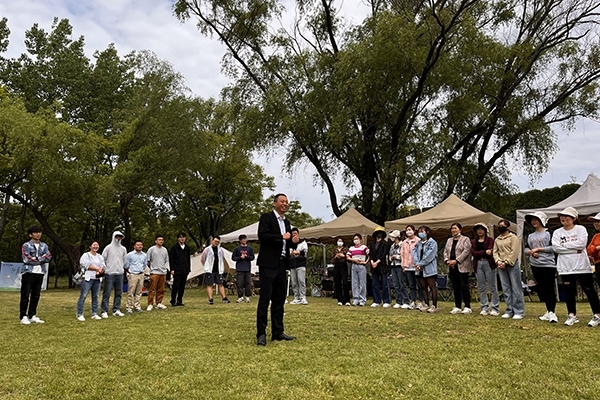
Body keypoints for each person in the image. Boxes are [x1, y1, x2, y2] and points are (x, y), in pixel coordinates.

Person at [256, 193, 296, 346]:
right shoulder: (266, 218)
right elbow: (263, 236)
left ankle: (277, 332)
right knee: (265, 299)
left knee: (279, 299)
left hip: (281, 264)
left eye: (287, 202)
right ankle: (261, 333)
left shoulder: (287, 222)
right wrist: (281, 237)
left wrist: (294, 241)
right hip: (268, 264)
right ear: (275, 203)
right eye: (282, 201)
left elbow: (287, 242)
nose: (285, 204)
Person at [552, 207, 600, 327]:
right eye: (561, 216)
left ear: (574, 218)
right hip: (565, 267)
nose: (563, 218)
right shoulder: (557, 232)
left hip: (581, 265)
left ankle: (597, 314)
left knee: (589, 290)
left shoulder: (581, 229)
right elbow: (556, 248)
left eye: (566, 216)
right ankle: (571, 314)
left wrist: (564, 246)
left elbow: (581, 245)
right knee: (569, 291)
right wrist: (573, 249)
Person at [524, 212, 557, 323]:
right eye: (532, 220)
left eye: (536, 219)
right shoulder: (530, 236)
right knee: (541, 288)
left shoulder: (549, 233)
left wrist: (539, 249)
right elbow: (526, 249)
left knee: (549, 288)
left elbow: (554, 247)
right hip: (535, 264)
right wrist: (531, 252)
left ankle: (552, 312)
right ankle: (548, 310)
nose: (534, 222)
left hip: (548, 264)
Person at [492, 219, 525, 320]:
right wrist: (498, 261)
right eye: (499, 225)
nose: (500, 227)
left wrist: (506, 262)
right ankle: (509, 310)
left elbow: (514, 251)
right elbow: (495, 252)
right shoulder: (497, 239)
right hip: (500, 265)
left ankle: (519, 311)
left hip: (511, 264)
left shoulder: (513, 237)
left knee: (516, 287)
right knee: (506, 288)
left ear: (508, 227)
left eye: (503, 225)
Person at [19, 225, 52, 325]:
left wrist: (37, 259)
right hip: (28, 272)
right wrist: (41, 259)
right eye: (35, 232)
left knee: (36, 295)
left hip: (40, 272)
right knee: (25, 295)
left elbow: (48, 257)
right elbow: (26, 259)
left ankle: (32, 315)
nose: (38, 234)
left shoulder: (44, 246)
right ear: (30, 234)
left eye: (39, 232)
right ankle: (23, 316)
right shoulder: (26, 245)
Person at [443, 222, 474, 314]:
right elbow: (445, 251)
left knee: (464, 286)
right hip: (451, 267)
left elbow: (466, 251)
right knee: (455, 286)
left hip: (462, 266)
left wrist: (456, 261)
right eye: (452, 228)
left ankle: (467, 306)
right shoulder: (449, 240)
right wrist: (447, 261)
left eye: (455, 228)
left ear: (460, 229)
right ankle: (457, 306)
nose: (453, 230)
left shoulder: (465, 239)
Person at [470, 223, 500, 316]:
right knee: (481, 287)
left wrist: (482, 253)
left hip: (489, 263)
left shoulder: (490, 240)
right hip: (478, 264)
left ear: (485, 230)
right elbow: (473, 253)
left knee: (492, 286)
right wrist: (484, 252)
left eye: (481, 229)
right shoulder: (473, 242)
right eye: (478, 229)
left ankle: (495, 307)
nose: (480, 231)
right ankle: (484, 307)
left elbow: (490, 252)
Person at [76, 241, 105, 321]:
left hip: (97, 279)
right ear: (90, 246)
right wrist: (97, 269)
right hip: (88, 278)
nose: (95, 246)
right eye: (94, 245)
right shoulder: (86, 255)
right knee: (83, 296)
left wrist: (100, 270)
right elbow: (86, 265)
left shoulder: (100, 256)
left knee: (95, 296)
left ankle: (94, 313)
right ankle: (80, 314)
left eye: (97, 245)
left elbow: (103, 265)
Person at [101, 231, 127, 318]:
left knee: (119, 292)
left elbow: (124, 260)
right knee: (107, 292)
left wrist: (121, 268)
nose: (118, 238)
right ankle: (104, 310)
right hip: (109, 273)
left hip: (120, 273)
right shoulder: (108, 248)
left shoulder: (123, 249)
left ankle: (116, 309)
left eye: (120, 237)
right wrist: (106, 269)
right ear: (114, 237)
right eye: (117, 237)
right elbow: (103, 259)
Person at [413, 226, 438, 313]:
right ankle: (426, 304)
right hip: (419, 269)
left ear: (427, 232)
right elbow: (414, 252)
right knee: (423, 286)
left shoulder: (432, 242)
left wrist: (421, 264)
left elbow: (430, 255)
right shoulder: (418, 243)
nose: (420, 233)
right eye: (419, 231)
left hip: (429, 268)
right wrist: (417, 263)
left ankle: (434, 305)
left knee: (432, 286)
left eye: (422, 231)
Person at [201, 236, 230, 305]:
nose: (216, 243)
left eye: (218, 242)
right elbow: (203, 259)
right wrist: (207, 266)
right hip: (210, 270)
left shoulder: (220, 250)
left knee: (220, 284)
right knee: (210, 284)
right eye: (215, 241)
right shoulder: (207, 249)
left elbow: (222, 259)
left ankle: (224, 298)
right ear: (212, 241)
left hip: (218, 270)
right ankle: (210, 299)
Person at [401, 225, 424, 310]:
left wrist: (420, 264)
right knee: (411, 285)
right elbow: (402, 254)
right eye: (407, 230)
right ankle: (413, 301)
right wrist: (403, 265)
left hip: (416, 266)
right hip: (408, 266)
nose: (408, 231)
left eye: (410, 229)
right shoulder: (404, 242)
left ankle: (421, 301)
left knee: (419, 284)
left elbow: (421, 253)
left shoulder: (418, 241)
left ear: (414, 231)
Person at [146, 235, 170, 311]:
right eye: (159, 240)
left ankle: (159, 302)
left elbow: (166, 260)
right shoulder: (151, 249)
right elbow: (148, 261)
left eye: (162, 240)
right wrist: (152, 268)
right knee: (152, 289)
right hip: (154, 271)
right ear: (156, 241)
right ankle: (150, 304)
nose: (161, 241)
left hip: (163, 272)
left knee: (161, 289)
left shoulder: (165, 250)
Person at [369, 227, 391, 308]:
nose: (379, 234)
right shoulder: (372, 244)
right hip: (374, 266)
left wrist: (377, 262)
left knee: (384, 284)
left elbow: (384, 254)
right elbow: (371, 254)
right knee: (375, 284)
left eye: (380, 233)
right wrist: (372, 262)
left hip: (382, 266)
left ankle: (386, 301)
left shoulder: (385, 244)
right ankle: (376, 301)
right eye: (378, 233)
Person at [125, 240, 148, 314]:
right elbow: (126, 265)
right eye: (138, 245)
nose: (140, 246)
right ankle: (129, 307)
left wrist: (141, 271)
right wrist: (130, 271)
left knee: (139, 291)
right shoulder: (129, 255)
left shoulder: (144, 255)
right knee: (131, 291)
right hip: (133, 274)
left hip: (141, 274)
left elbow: (144, 265)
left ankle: (137, 306)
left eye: (141, 245)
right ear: (134, 246)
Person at [347, 233, 370, 307]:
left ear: (360, 239)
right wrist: (353, 260)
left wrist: (365, 262)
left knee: (362, 283)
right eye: (354, 239)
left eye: (357, 239)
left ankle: (362, 300)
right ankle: (355, 300)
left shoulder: (364, 247)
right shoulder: (351, 248)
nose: (355, 240)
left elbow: (370, 254)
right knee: (354, 283)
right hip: (354, 265)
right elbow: (347, 257)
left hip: (361, 265)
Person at [169, 232, 191, 306]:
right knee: (176, 286)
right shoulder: (174, 248)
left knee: (182, 286)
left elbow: (188, 259)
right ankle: (173, 300)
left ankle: (179, 300)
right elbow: (171, 259)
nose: (182, 239)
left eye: (183, 237)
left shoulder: (187, 247)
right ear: (178, 238)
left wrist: (188, 268)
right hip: (177, 269)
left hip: (185, 269)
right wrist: (172, 269)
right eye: (180, 237)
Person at [231, 234, 255, 303]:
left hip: (247, 268)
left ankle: (247, 296)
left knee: (248, 283)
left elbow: (252, 257)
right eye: (243, 239)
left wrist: (247, 256)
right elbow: (233, 258)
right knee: (239, 283)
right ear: (240, 241)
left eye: (245, 239)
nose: (244, 240)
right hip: (240, 268)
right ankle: (240, 297)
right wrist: (240, 258)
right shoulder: (237, 249)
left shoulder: (249, 248)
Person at [288, 227, 308, 305]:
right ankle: (296, 297)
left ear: (298, 234)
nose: (294, 235)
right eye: (293, 234)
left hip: (301, 264)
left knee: (301, 281)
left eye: (295, 234)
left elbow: (305, 252)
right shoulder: (290, 243)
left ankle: (303, 297)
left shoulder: (303, 242)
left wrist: (298, 252)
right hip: (292, 265)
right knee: (294, 282)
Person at [389, 230, 409, 308]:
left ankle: (406, 301)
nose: (391, 238)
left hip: (400, 266)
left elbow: (405, 256)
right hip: (393, 266)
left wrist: (396, 257)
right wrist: (391, 258)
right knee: (396, 285)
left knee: (402, 284)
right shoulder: (392, 246)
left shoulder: (403, 244)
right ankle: (398, 301)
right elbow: (389, 255)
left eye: (393, 236)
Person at [331, 237, 350, 306]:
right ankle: (340, 299)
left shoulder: (346, 249)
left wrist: (343, 256)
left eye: (341, 241)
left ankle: (347, 300)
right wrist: (336, 257)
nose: (340, 242)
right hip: (336, 266)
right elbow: (332, 261)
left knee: (345, 283)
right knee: (337, 283)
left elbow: (348, 258)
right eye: (338, 241)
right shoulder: (334, 250)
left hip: (343, 266)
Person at [587, 212, 600, 287]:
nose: (596, 224)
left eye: (598, 221)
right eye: (594, 222)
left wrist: (594, 249)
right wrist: (597, 248)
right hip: (598, 265)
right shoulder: (596, 236)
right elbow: (589, 251)